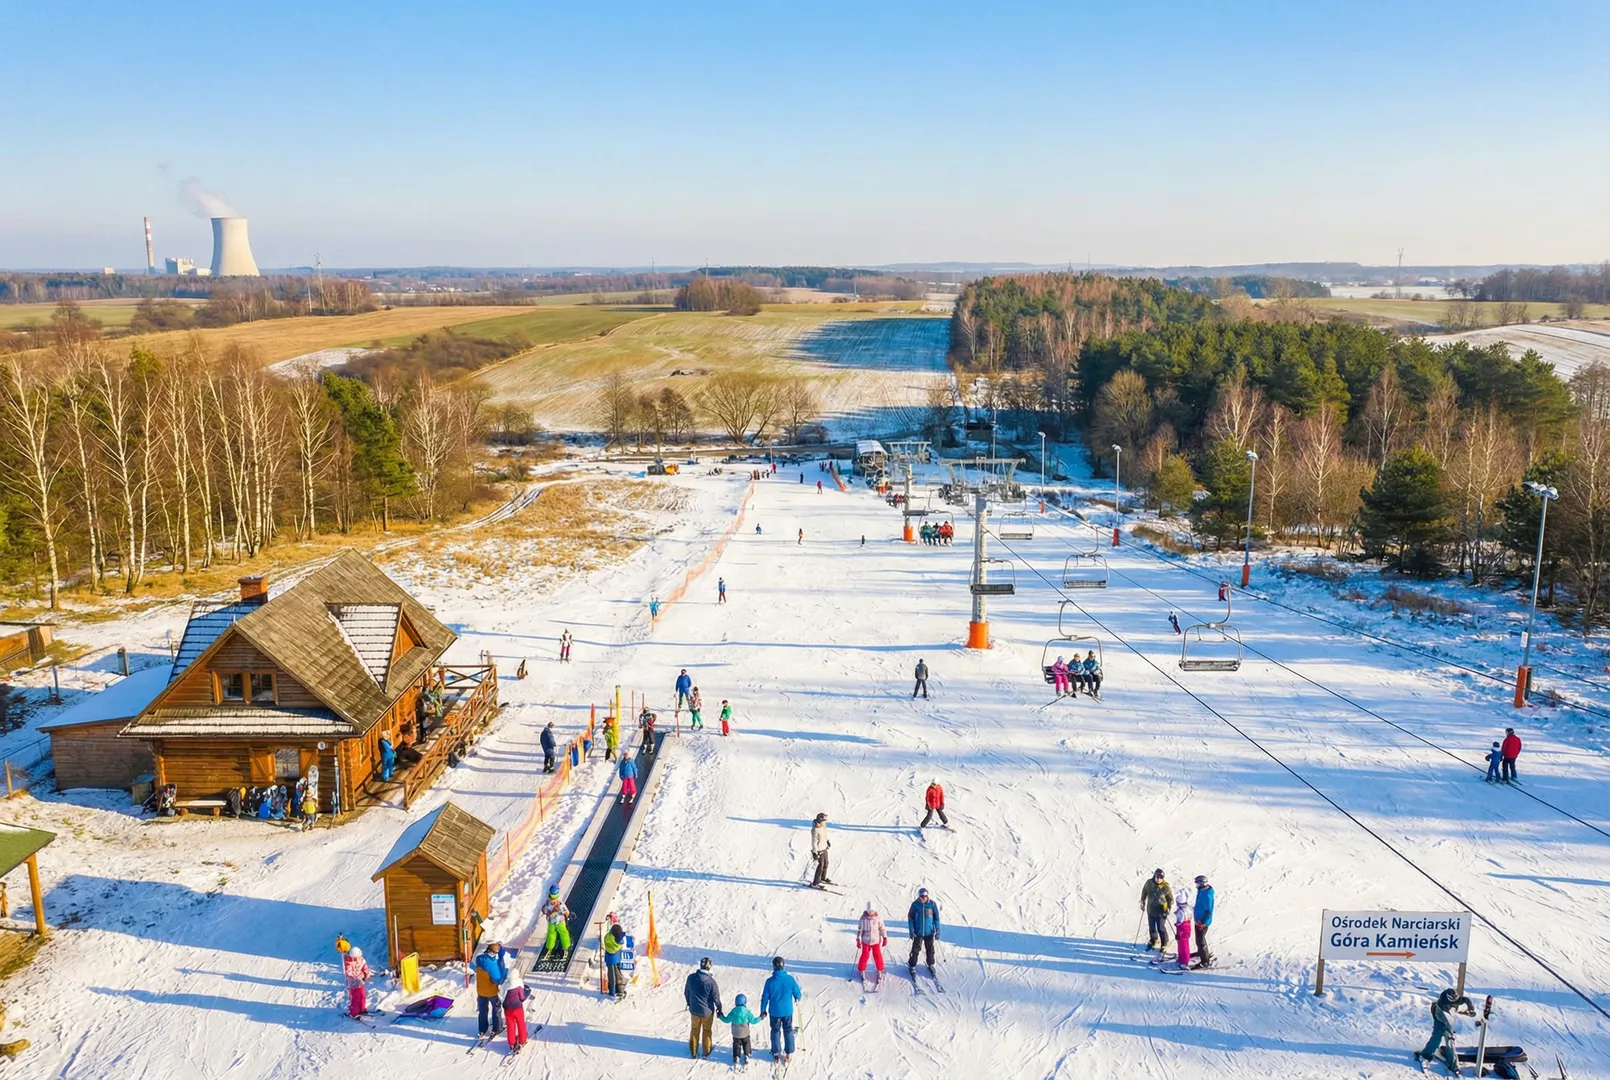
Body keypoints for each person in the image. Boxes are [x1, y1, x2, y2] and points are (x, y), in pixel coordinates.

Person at [1416, 988, 1475, 1073]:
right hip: (1440, 1020)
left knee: (1450, 1043)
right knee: (1436, 1040)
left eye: (1456, 999)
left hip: (1447, 1020)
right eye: (1453, 1000)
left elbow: (1466, 1000)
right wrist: (1450, 1031)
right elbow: (1446, 1019)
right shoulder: (1443, 1003)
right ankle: (1426, 1055)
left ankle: (1453, 1063)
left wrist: (1471, 1008)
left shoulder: (1454, 999)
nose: (1455, 1001)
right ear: (1448, 998)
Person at [758, 956, 802, 1063]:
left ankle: (776, 1052)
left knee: (775, 1030)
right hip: (787, 1011)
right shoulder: (790, 979)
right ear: (783, 966)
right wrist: (797, 998)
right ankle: (788, 1052)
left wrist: (763, 1010)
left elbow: (765, 998)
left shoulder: (769, 982)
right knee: (788, 1029)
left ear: (773, 966)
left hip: (775, 1011)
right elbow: (798, 993)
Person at [684, 956, 724, 1059]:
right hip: (707, 1011)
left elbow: (686, 992)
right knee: (707, 1030)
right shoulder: (711, 982)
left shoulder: (691, 978)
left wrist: (689, 1003)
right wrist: (720, 1008)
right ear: (709, 967)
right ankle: (706, 1052)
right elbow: (716, 999)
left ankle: (693, 1051)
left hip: (694, 1010)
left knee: (694, 1029)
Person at [474, 940, 509, 1039]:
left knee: (483, 1010)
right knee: (496, 1008)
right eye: (498, 946)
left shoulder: (479, 958)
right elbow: (499, 980)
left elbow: (487, 963)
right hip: (491, 992)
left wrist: (498, 960)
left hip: (480, 991)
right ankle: (497, 1028)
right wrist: (502, 962)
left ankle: (482, 1029)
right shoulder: (492, 965)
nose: (499, 947)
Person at [907, 888, 940, 975]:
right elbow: (911, 918)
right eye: (922, 896)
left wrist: (938, 930)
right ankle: (912, 965)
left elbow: (936, 918)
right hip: (918, 932)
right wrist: (911, 930)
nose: (924, 898)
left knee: (930, 949)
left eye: (925, 896)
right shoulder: (915, 905)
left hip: (929, 932)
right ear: (919, 896)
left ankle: (931, 964)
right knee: (915, 950)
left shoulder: (932, 904)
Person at [721, 992, 759, 1068]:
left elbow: (726, 1020)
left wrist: (720, 1016)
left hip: (736, 1034)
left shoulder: (733, 1012)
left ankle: (736, 1056)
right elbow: (754, 1021)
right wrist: (761, 1017)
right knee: (746, 1042)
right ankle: (747, 1055)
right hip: (745, 1033)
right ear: (745, 1002)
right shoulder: (747, 1012)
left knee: (736, 1044)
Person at [1141, 868, 1173, 952]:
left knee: (1161, 928)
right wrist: (1142, 902)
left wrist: (1168, 908)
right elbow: (1144, 892)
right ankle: (1154, 940)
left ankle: (1164, 943)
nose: (1159, 879)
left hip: (1161, 912)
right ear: (1154, 876)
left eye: (1161, 878)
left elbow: (1170, 899)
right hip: (1151, 910)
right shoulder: (1149, 883)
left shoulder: (1165, 887)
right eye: (1157, 877)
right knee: (1152, 927)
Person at [857, 901, 887, 983]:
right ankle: (861, 970)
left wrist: (885, 937)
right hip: (865, 941)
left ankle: (880, 970)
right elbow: (860, 929)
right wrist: (858, 939)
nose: (871, 912)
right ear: (866, 910)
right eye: (869, 911)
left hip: (876, 941)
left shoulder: (878, 918)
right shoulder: (863, 918)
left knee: (877, 955)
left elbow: (882, 928)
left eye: (872, 911)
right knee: (865, 955)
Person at [540, 886, 571, 960]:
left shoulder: (547, 903)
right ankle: (566, 947)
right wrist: (567, 915)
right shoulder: (560, 904)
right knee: (564, 933)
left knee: (551, 934)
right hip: (560, 922)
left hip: (551, 922)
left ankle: (549, 947)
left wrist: (547, 913)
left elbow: (544, 910)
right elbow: (566, 912)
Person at [503, 968, 529, 1053]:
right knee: (520, 1023)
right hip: (517, 1007)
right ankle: (522, 1040)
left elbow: (501, 994)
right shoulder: (519, 983)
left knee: (510, 1025)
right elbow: (522, 997)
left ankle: (511, 1042)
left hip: (507, 1008)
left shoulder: (506, 984)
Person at [1192, 874, 1215, 968]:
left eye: (1197, 884)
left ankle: (1205, 961)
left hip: (1202, 922)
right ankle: (1200, 953)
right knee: (1198, 940)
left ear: (1202, 884)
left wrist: (1202, 922)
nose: (1196, 886)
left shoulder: (1207, 895)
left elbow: (1209, 911)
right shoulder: (1202, 892)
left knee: (1201, 940)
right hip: (1198, 920)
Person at [343, 945, 371, 1018]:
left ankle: (362, 1009)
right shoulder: (349, 963)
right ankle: (354, 1013)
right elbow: (349, 973)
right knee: (356, 998)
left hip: (360, 981)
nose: (359, 958)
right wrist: (357, 979)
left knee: (363, 996)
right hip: (353, 983)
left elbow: (365, 967)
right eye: (357, 957)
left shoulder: (361, 959)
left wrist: (366, 975)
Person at [604, 920, 627, 997]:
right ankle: (619, 989)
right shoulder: (616, 942)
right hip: (616, 956)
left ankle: (613, 991)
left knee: (612, 976)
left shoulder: (608, 938)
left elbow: (608, 937)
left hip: (610, 957)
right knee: (617, 972)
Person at [810, 812, 833, 887]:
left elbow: (825, 834)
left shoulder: (823, 826)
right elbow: (814, 842)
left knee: (826, 864)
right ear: (820, 819)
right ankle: (815, 883)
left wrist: (827, 841)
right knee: (820, 866)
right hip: (819, 850)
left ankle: (822, 878)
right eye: (824, 820)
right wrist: (815, 852)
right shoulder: (815, 829)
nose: (825, 822)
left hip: (824, 847)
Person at [1173, 893, 1193, 969]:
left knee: (1183, 946)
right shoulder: (1188, 908)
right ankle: (1181, 959)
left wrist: (1176, 924)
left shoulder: (1181, 911)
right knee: (1183, 945)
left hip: (1182, 930)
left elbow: (1180, 921)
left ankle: (1185, 961)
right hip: (1187, 929)